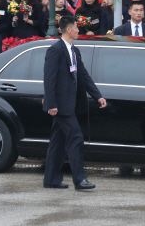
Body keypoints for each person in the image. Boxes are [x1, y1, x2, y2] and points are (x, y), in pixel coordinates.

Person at [43, 15, 107, 190]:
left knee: (57, 143)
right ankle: (79, 179)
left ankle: (51, 180)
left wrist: (97, 95)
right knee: (76, 137)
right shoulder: (55, 50)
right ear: (69, 29)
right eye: (77, 27)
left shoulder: (74, 51)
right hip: (61, 105)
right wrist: (52, 104)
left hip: (70, 104)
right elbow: (49, 79)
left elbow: (83, 76)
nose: (79, 30)